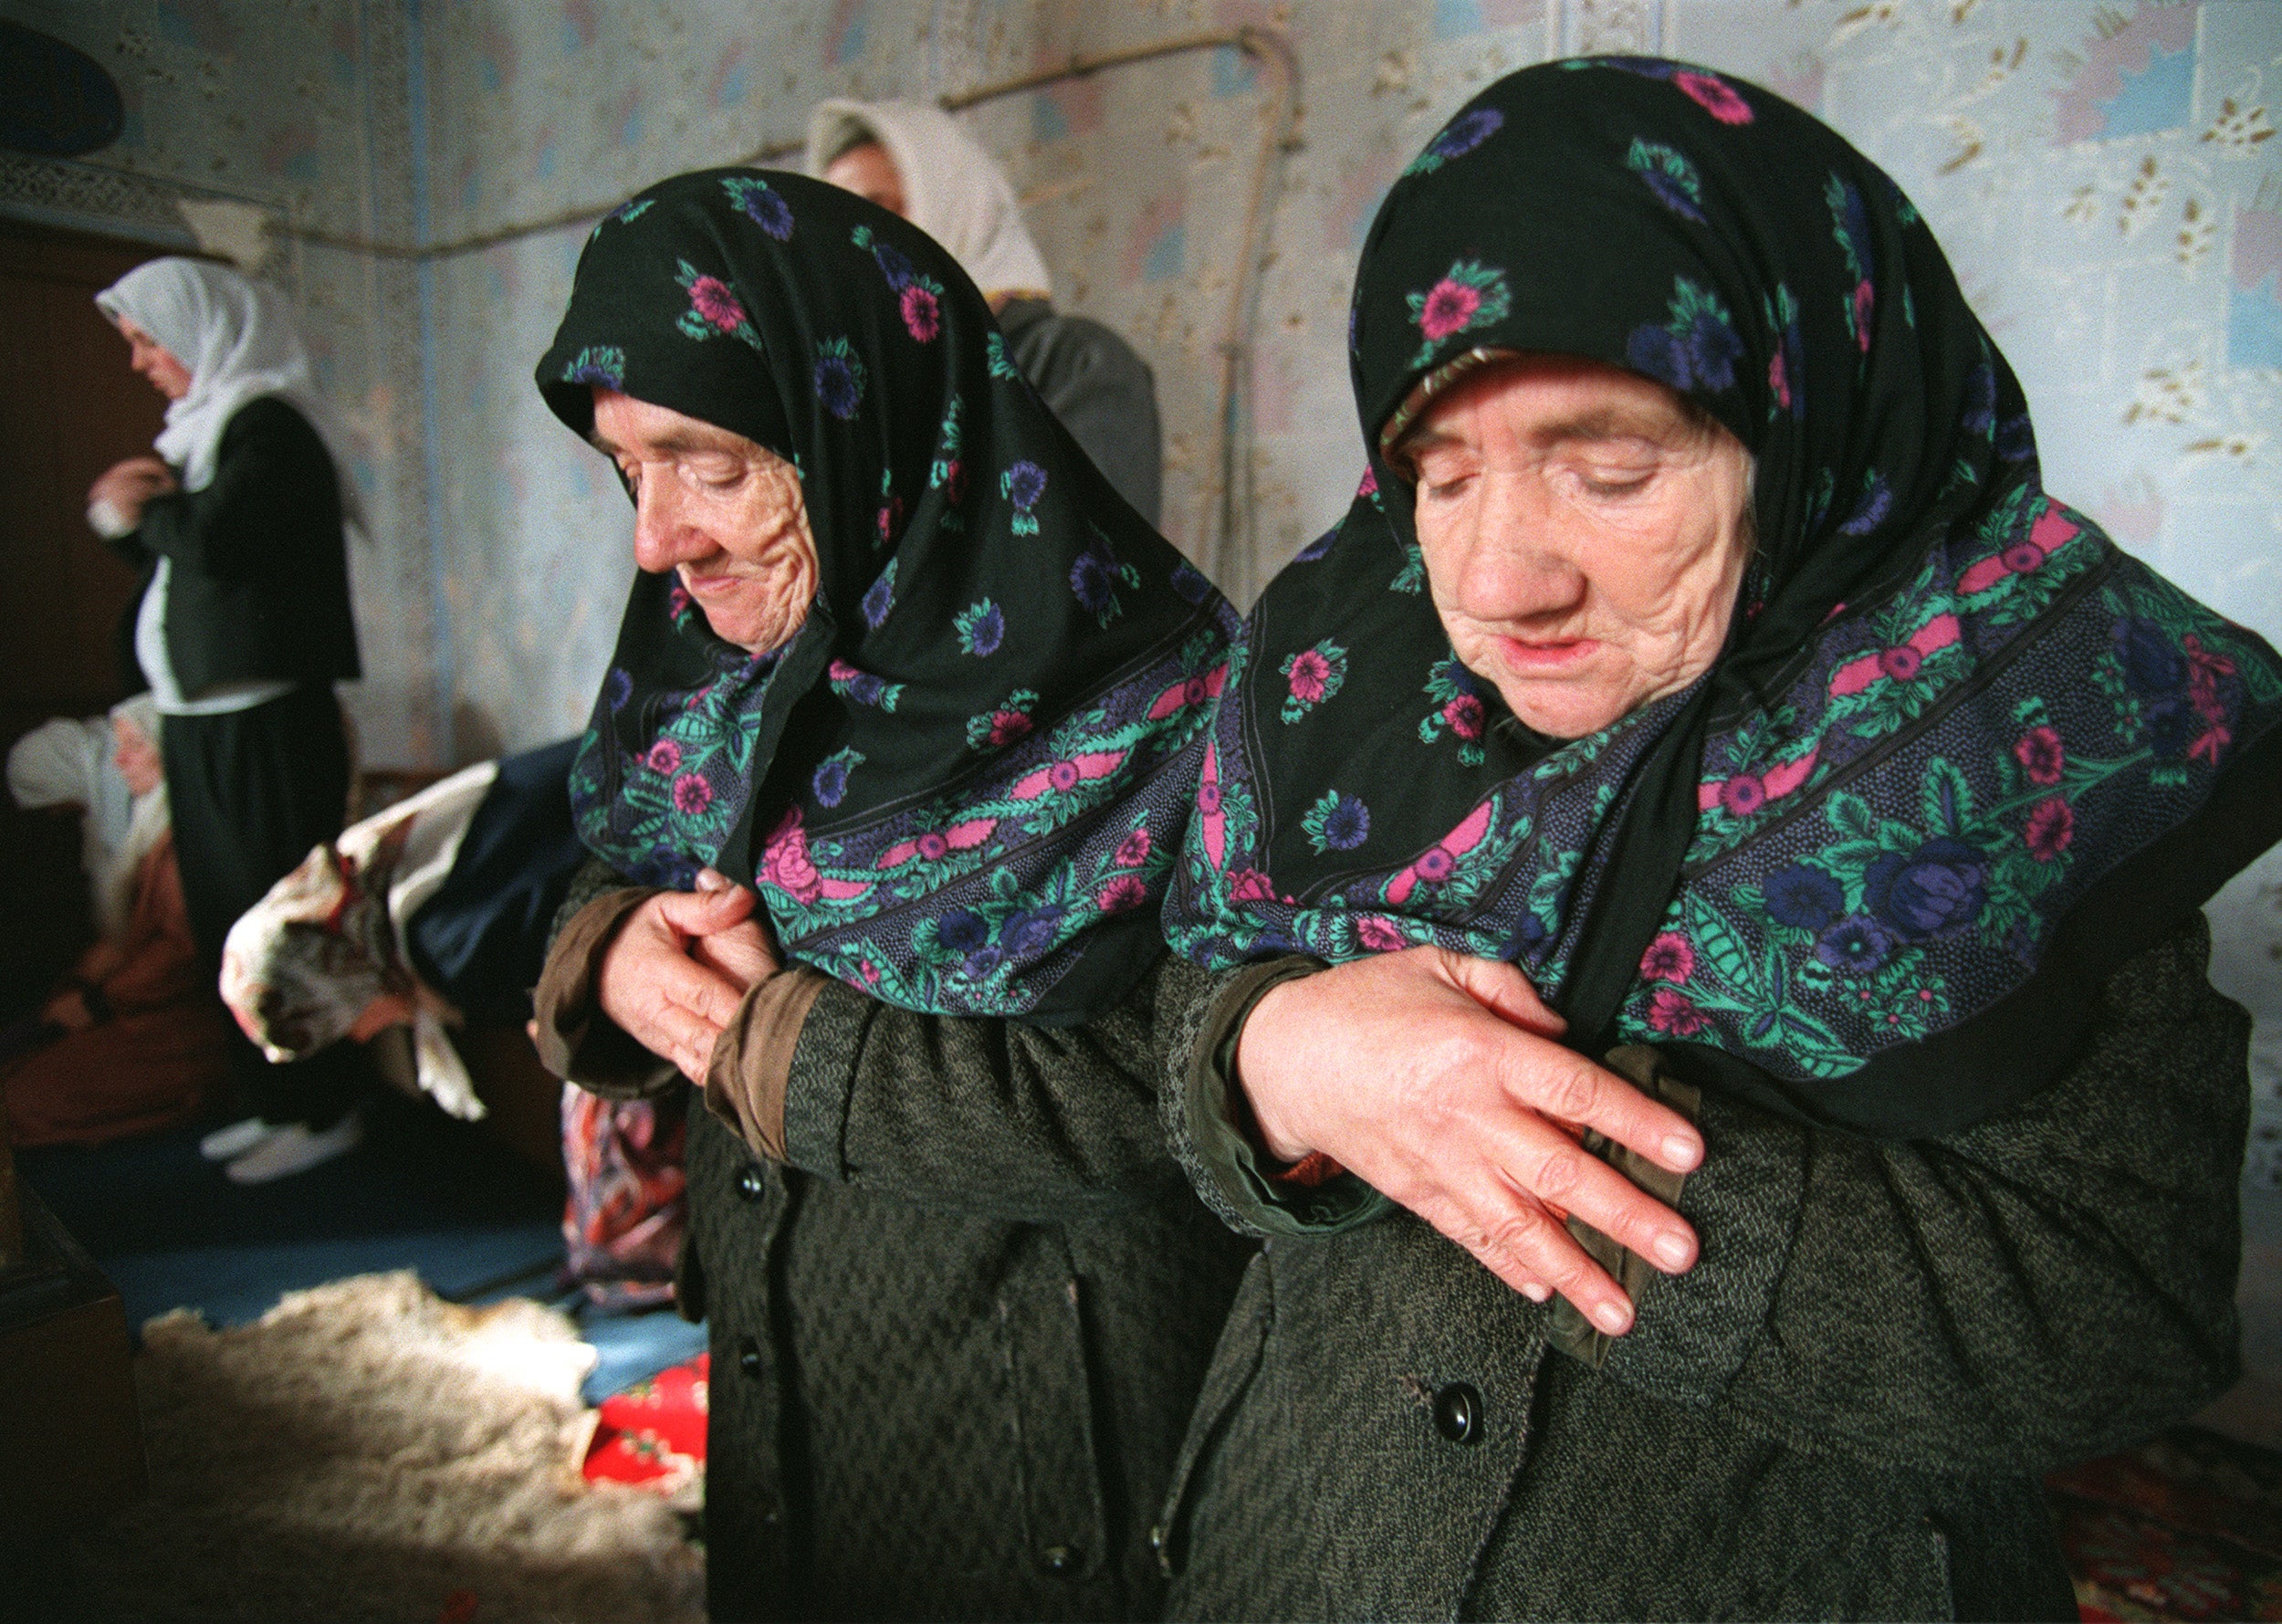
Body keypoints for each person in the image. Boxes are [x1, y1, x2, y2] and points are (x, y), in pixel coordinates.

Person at [1145, 60, 2281, 1619]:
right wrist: (1273, 1055)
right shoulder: (1332, 674)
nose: (1495, 583)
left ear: (1804, 421)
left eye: (1610, 469)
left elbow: (2120, 1311)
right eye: (1439, 472)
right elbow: (1181, 1029)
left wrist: (1544, 1154)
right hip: (1291, 1545)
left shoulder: (2010, 745)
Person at [524, 169, 1248, 1619]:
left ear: (864, 427)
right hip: (780, 1372)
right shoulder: (708, 659)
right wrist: (611, 959)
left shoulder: (1163, 703)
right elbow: (618, 858)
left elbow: (1179, 1089)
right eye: (625, 470)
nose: (656, 539)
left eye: (708, 462)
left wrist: (776, 1042)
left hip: (1042, 1427)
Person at [87, 257, 366, 1185]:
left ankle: (323, 1108)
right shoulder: (206, 433)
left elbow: (219, 542)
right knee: (222, 925)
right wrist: (137, 519)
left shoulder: (268, 426)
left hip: (265, 733)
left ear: (203, 329)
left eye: (147, 338)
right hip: (204, 733)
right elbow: (195, 564)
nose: (139, 363)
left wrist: (142, 510)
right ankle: (271, 1100)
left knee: (277, 923)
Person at [808, 98, 1166, 526]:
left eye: (880, 212)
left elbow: (1084, 571)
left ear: (958, 209)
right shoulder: (846, 399)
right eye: (832, 230)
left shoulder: (1073, 363)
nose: (853, 248)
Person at [3, 699, 233, 1145]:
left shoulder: (189, 834)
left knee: (24, 1098)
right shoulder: (151, 825)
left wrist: (98, 1002)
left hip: (189, 1017)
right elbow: (132, 935)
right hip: (145, 1002)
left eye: (133, 745)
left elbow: (179, 956)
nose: (118, 759)